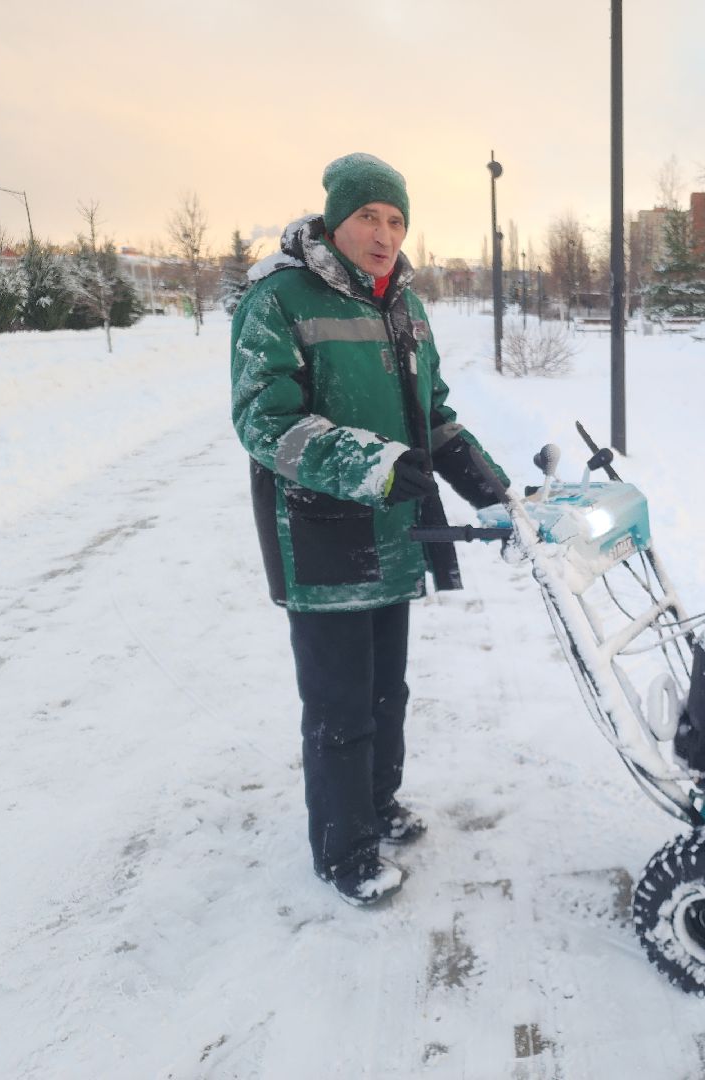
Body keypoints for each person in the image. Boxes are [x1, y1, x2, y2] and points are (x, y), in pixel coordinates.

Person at [230, 153, 508, 906]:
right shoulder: (280, 298)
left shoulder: (405, 307)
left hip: (396, 535)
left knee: (389, 691)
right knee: (340, 704)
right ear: (335, 219)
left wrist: (490, 488)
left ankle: (377, 807)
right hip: (323, 535)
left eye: (395, 220)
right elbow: (265, 422)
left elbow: (433, 414)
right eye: (368, 218)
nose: (384, 234)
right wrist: (373, 464)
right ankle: (343, 849)